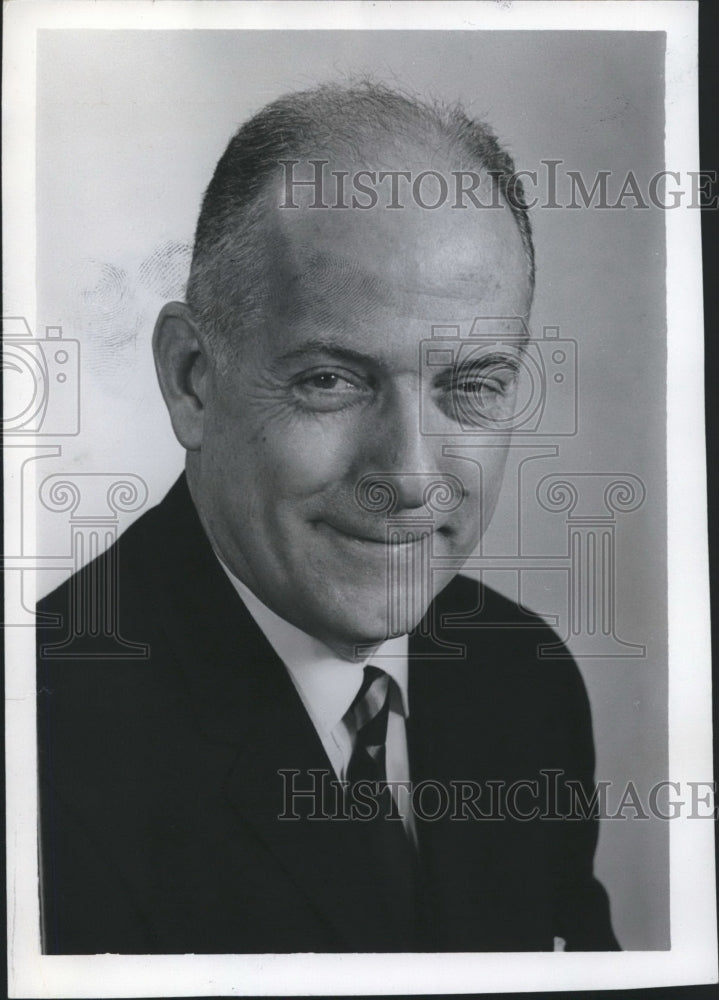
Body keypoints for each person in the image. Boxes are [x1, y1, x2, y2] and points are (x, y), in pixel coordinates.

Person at [37, 82, 620, 954]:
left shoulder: (524, 683)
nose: (411, 478)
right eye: (330, 381)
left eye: (471, 386)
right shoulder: (44, 739)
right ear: (192, 377)